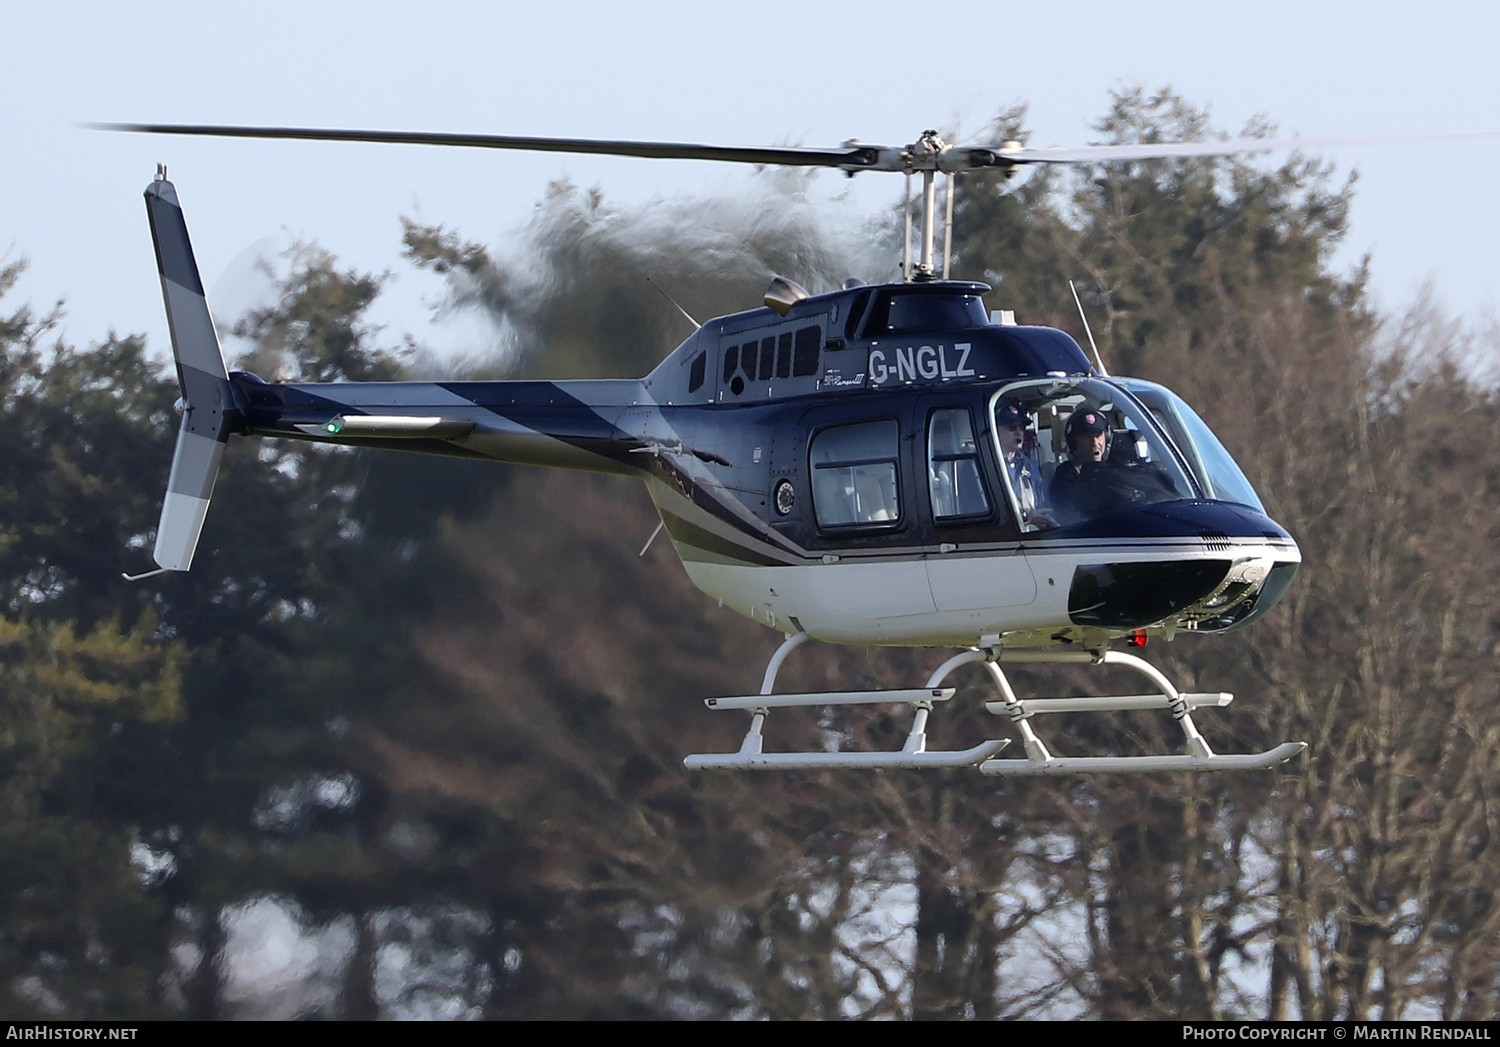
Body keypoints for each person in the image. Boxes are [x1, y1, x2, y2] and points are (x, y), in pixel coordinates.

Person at [1049, 406, 1179, 523]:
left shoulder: (1114, 469)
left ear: (1107, 438)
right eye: (1087, 437)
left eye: (1098, 435)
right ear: (1073, 441)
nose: (1095, 443)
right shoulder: (1066, 474)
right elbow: (1071, 517)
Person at [995, 401, 1054, 529]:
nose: (1018, 432)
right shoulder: (982, 465)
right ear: (995, 430)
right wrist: (1026, 519)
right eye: (1012, 428)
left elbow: (1040, 502)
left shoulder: (1029, 465)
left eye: (1021, 427)